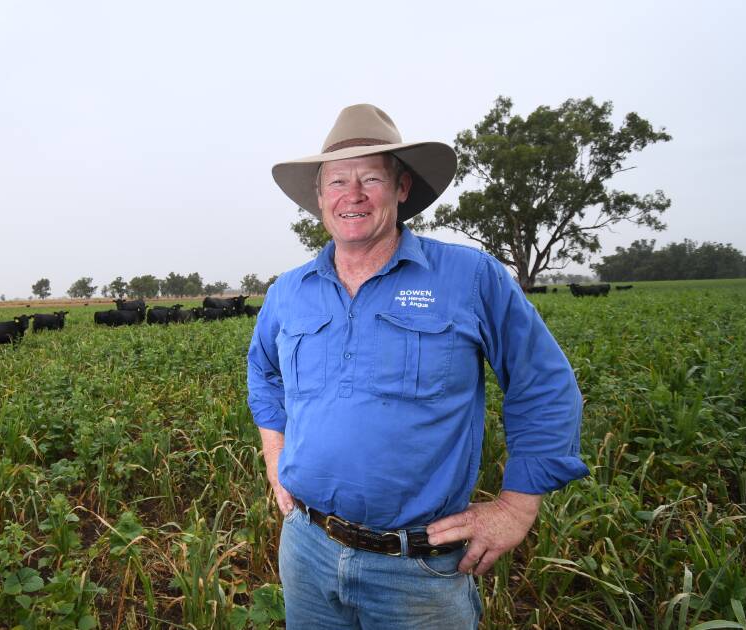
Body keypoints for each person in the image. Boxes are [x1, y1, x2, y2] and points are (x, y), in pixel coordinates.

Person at [247, 104, 588, 628]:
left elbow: (542, 382)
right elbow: (264, 372)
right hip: (308, 550)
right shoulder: (289, 291)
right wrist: (276, 456)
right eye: (337, 180)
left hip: (417, 570)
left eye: (371, 179)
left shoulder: (470, 277)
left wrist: (517, 507)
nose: (352, 194)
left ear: (402, 188)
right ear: (319, 198)